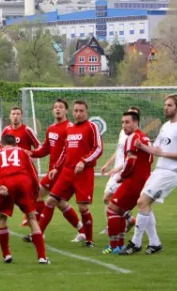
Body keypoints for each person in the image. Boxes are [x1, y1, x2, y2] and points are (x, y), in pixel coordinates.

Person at [120, 94, 177, 255]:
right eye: (165, 105)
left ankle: (136, 243)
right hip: (159, 170)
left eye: (169, 105)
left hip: (170, 173)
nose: (166, 107)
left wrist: (165, 154)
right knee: (145, 205)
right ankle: (154, 243)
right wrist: (142, 146)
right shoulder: (165, 126)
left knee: (142, 201)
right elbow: (157, 149)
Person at [35, 100, 103, 248]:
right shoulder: (70, 129)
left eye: (81, 111)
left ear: (86, 112)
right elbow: (65, 152)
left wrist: (83, 161)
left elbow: (98, 149)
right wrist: (56, 167)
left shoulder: (92, 127)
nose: (78, 113)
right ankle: (38, 234)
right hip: (66, 172)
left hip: (83, 173)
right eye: (76, 111)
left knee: (83, 208)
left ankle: (89, 240)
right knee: (51, 201)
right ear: (72, 112)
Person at [24, 99, 86, 243]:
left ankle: (38, 232)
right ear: (52, 110)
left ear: (66, 111)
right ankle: (81, 230)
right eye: (55, 107)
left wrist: (59, 168)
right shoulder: (51, 128)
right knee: (49, 199)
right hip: (53, 171)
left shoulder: (70, 127)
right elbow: (46, 148)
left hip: (64, 171)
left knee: (52, 200)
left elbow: (70, 152)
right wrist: (30, 153)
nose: (58, 109)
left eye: (61, 107)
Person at [0, 134, 50, 264]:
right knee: (31, 217)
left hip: (6, 182)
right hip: (23, 182)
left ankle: (6, 255)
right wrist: (36, 188)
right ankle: (42, 257)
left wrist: (0, 186)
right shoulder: (22, 151)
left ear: (1, 144)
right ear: (15, 144)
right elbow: (32, 170)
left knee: (2, 217)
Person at [102, 110, 153, 254]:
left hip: (133, 181)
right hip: (143, 182)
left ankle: (114, 245)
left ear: (136, 122)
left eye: (127, 122)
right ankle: (119, 245)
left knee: (111, 209)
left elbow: (130, 162)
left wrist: (121, 176)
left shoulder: (133, 137)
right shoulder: (144, 138)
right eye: (122, 122)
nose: (124, 125)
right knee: (119, 211)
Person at [99, 107, 141, 234]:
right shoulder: (123, 133)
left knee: (110, 198)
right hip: (117, 170)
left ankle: (115, 226)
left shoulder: (136, 136)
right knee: (107, 198)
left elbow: (132, 157)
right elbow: (119, 151)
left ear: (136, 120)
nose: (125, 123)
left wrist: (118, 168)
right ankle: (127, 220)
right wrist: (107, 164)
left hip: (124, 171)